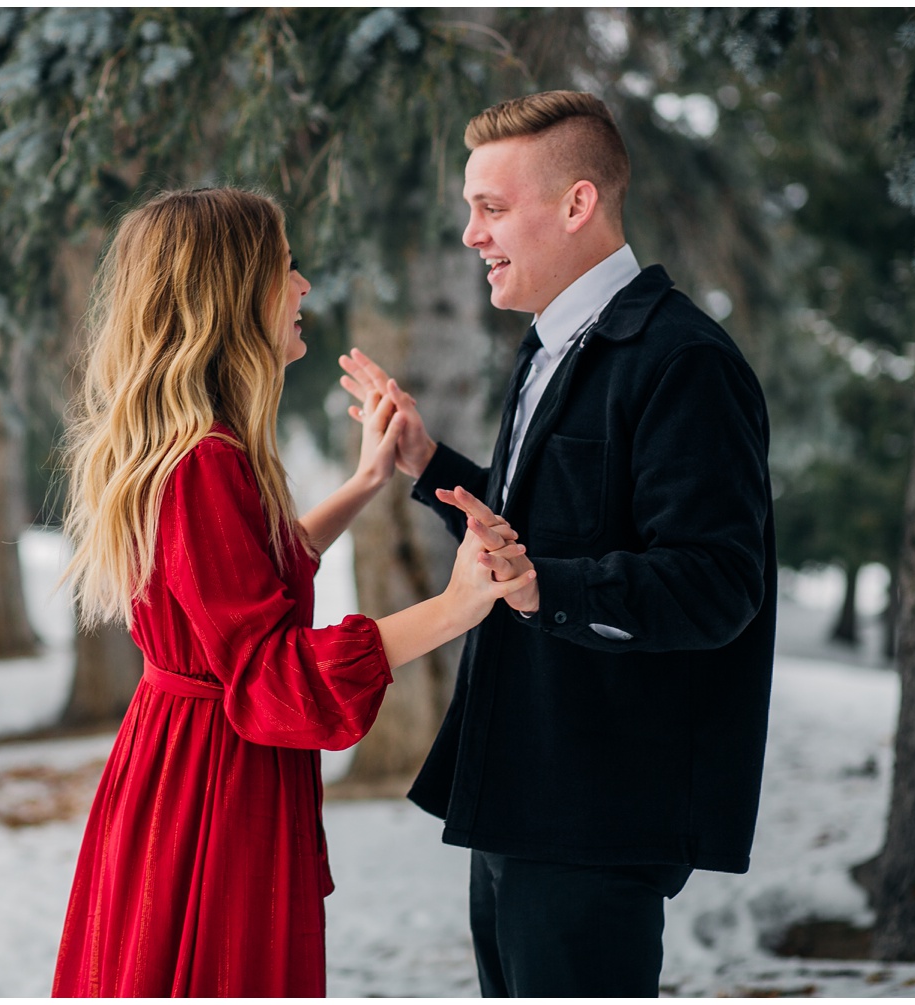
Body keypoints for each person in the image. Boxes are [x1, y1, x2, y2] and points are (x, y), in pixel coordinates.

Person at [340, 90, 777, 997]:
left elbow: (716, 583)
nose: (471, 235)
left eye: (491, 208)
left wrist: (544, 586)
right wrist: (428, 462)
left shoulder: (682, 360)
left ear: (578, 204)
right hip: (520, 787)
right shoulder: (548, 347)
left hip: (600, 804)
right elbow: (541, 534)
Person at [50, 187, 536, 998]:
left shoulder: (202, 447)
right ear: (231, 297)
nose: (305, 287)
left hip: (188, 762)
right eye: (286, 268)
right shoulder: (202, 460)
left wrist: (367, 479)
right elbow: (271, 675)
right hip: (212, 785)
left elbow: (246, 575)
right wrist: (456, 605)